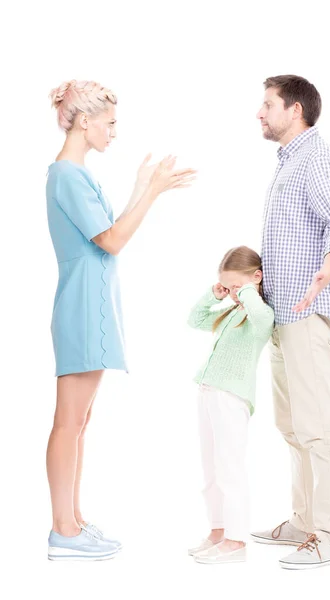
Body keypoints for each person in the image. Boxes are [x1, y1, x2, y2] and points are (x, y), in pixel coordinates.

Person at [46, 79, 196, 561]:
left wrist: (140, 189)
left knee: (79, 422)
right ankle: (62, 531)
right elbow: (111, 241)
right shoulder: (67, 174)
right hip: (82, 305)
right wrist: (150, 193)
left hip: (90, 302)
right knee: (69, 422)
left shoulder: (77, 173)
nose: (114, 132)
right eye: (110, 123)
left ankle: (73, 522)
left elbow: (107, 233)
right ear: (84, 120)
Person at [251, 75, 330, 570]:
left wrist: (326, 270)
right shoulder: (290, 162)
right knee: (291, 424)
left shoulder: (317, 158)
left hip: (307, 310)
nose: (260, 113)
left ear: (294, 110)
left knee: (316, 428)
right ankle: (305, 519)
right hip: (281, 311)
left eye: (267, 105)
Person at [187, 246, 274, 565]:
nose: (234, 293)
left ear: (255, 279)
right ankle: (218, 530)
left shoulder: (258, 313)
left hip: (231, 397)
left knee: (229, 469)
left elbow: (264, 319)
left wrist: (247, 291)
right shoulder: (233, 310)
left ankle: (236, 541)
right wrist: (216, 294)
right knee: (211, 469)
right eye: (229, 287)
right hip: (209, 392)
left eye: (238, 287)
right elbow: (195, 319)